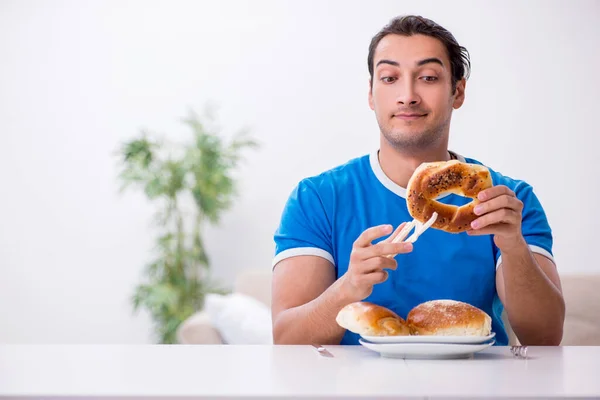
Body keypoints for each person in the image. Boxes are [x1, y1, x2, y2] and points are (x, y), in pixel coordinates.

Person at [270, 15, 565, 346]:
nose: (407, 95)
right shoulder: (318, 199)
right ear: (371, 93)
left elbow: (545, 337)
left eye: (427, 77)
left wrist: (513, 247)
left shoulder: (507, 201)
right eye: (389, 77)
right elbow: (286, 340)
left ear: (458, 91)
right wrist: (348, 287)